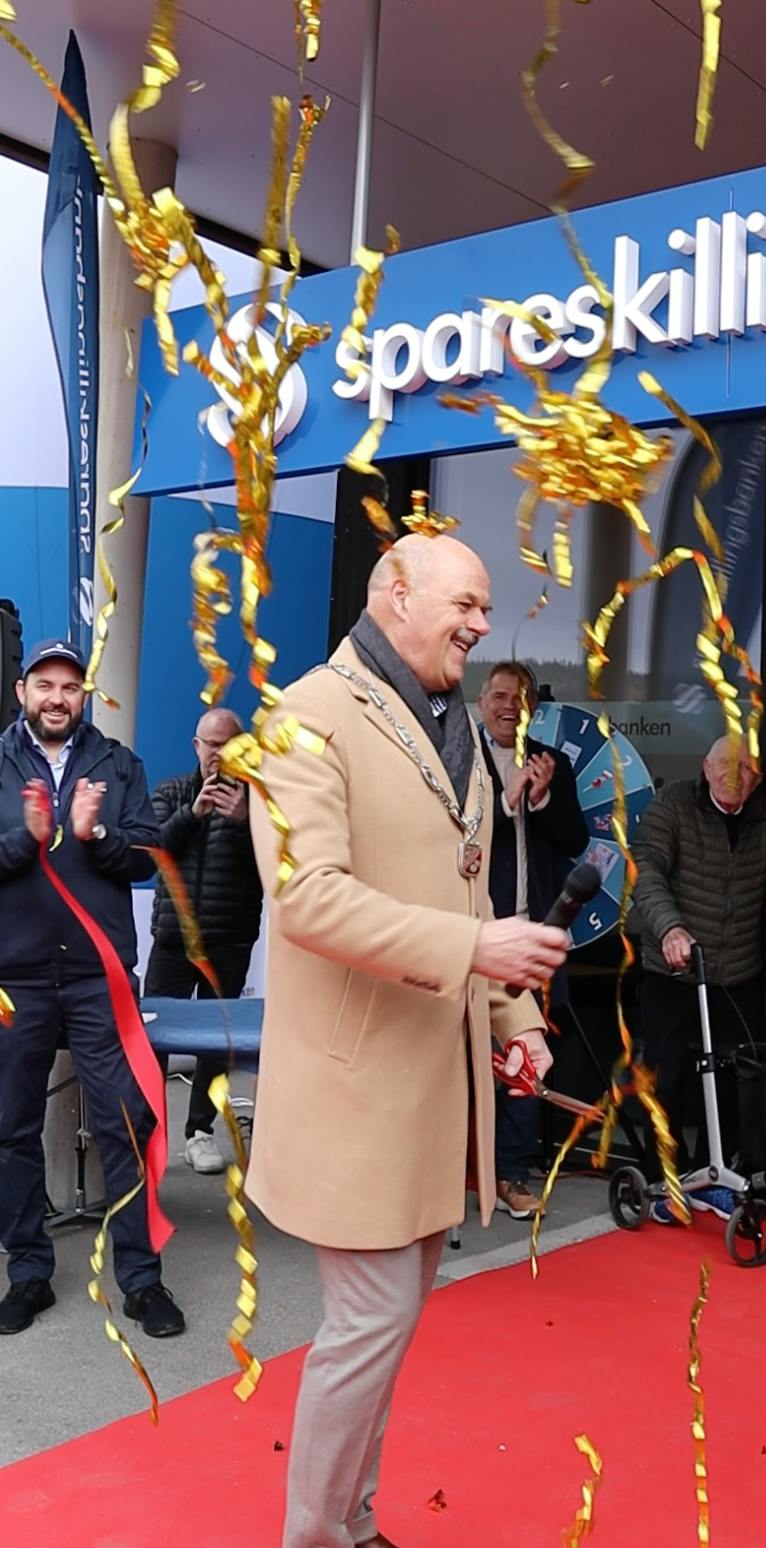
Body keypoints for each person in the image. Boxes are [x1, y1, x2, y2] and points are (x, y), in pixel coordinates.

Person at [247, 535, 567, 1548]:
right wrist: (474, 949)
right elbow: (307, 898)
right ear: (394, 592)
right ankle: (317, 1536)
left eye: (485, 607)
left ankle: (354, 1521)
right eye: (465, 603)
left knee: (384, 1332)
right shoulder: (301, 716)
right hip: (357, 1095)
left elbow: (469, 889)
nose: (482, 624)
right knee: (369, 1328)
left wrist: (515, 1021)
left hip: (434, 1092)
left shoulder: (454, 721)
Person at [0, 639, 185, 1337]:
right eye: (44, 685)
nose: (57, 698)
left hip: (97, 980)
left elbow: (147, 856)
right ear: (22, 692)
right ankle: (28, 1272)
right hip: (14, 979)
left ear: (85, 696)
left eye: (70, 687)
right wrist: (25, 840)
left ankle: (141, 1280)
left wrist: (95, 832)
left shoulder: (118, 764)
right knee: (11, 1127)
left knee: (126, 1124)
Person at [631, 733, 766, 1225]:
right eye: (725, 765)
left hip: (737, 972)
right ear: (705, 767)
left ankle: (717, 1177)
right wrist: (670, 928)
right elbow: (646, 870)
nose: (734, 775)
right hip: (675, 971)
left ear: (758, 780)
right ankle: (665, 1182)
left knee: (735, 1083)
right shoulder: (673, 806)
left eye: (745, 768)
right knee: (666, 1081)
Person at [476, 661, 588, 1218]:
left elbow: (575, 839)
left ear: (533, 710)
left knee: (525, 1054)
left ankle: (513, 1173)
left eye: (519, 699)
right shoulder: (459, 760)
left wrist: (541, 800)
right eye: (499, 696)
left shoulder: (552, 763)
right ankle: (459, 1168)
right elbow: (450, 839)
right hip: (473, 934)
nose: (509, 707)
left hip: (532, 933)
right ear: (481, 703)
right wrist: (506, 800)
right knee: (464, 1056)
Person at [144, 707, 263, 1174]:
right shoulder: (171, 791)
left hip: (229, 938)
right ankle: (146, 1133)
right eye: (210, 744)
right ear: (197, 746)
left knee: (217, 1043)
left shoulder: (261, 799)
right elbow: (152, 852)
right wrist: (192, 814)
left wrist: (246, 822)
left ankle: (199, 1132)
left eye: (227, 744)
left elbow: (278, 866)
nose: (218, 753)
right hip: (173, 938)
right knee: (153, 1039)